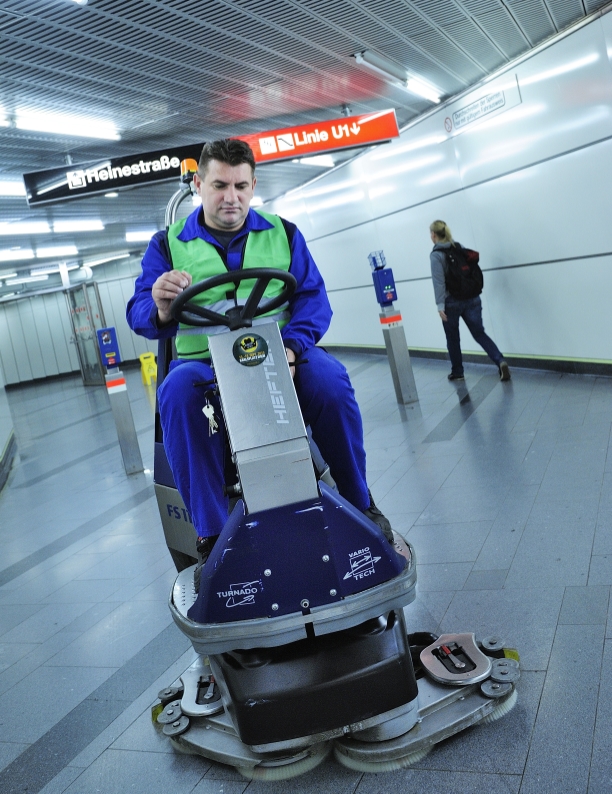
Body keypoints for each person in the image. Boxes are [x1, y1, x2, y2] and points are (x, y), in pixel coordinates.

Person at [127, 138, 393, 567]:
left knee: (329, 381)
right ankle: (211, 535)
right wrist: (158, 306)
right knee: (175, 392)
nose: (230, 197)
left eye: (240, 186)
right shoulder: (167, 245)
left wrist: (290, 348)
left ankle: (360, 501)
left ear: (254, 185)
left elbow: (313, 299)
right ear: (197, 184)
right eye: (218, 186)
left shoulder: (284, 234)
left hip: (283, 353)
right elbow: (138, 311)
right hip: (204, 365)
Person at [429, 220, 510, 382]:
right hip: (472, 298)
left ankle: (458, 372)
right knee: (479, 333)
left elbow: (439, 283)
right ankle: (500, 361)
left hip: (451, 302)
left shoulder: (436, 255)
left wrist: (440, 306)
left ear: (433, 235)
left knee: (453, 338)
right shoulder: (458, 247)